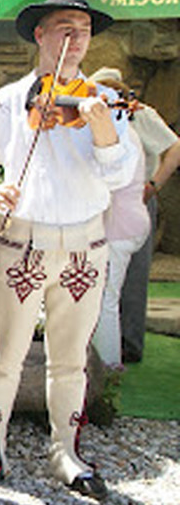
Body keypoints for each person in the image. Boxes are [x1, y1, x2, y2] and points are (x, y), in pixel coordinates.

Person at [0, 0, 135, 500]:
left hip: (84, 246)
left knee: (71, 359)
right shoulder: (8, 99)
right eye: (64, 28)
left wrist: (102, 131)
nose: (75, 39)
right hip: (21, 241)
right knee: (5, 354)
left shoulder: (107, 102)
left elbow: (122, 176)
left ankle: (65, 454)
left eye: (85, 30)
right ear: (40, 35)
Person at [86, 67, 179, 371]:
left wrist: (153, 186)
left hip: (120, 224)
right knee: (108, 296)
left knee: (108, 298)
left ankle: (111, 366)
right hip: (129, 220)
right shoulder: (128, 133)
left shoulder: (121, 138)